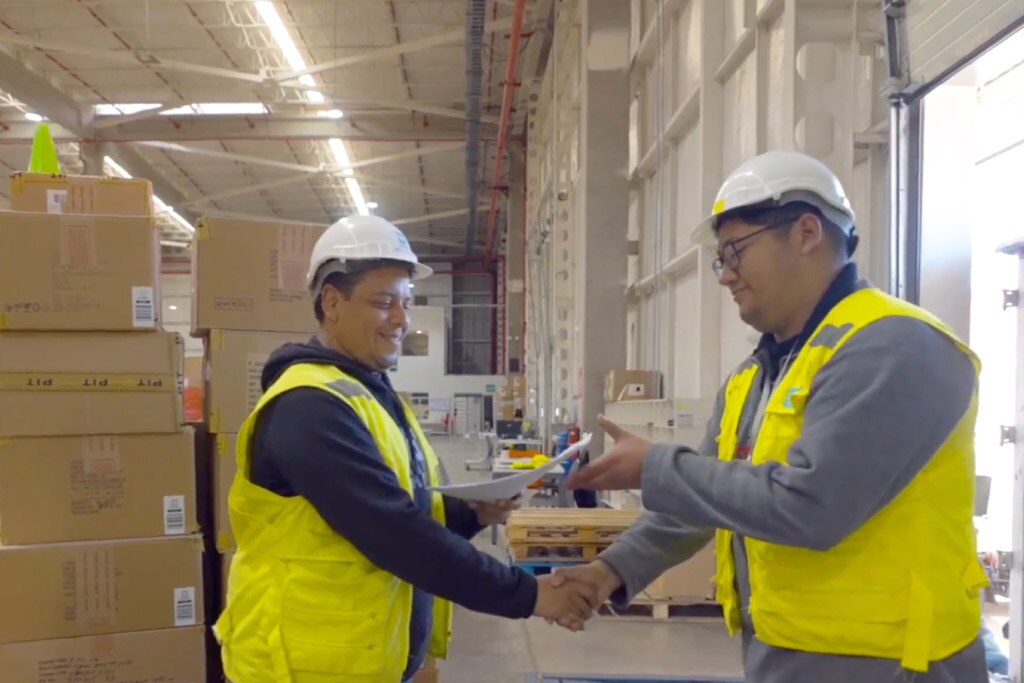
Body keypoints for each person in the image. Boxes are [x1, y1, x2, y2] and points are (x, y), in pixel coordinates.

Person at [556, 151, 991, 683]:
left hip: (893, 665)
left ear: (807, 232)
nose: (726, 276)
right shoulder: (757, 375)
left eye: (735, 251)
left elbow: (813, 506)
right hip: (783, 654)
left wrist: (656, 468)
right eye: (722, 259)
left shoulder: (896, 347)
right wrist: (610, 571)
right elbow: (705, 502)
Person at [214, 215, 595, 683]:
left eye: (407, 303)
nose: (402, 319)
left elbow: (405, 508)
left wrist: (471, 513)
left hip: (354, 660)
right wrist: (531, 595)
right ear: (331, 301)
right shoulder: (309, 406)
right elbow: (394, 532)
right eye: (383, 303)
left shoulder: (372, 395)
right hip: (297, 665)